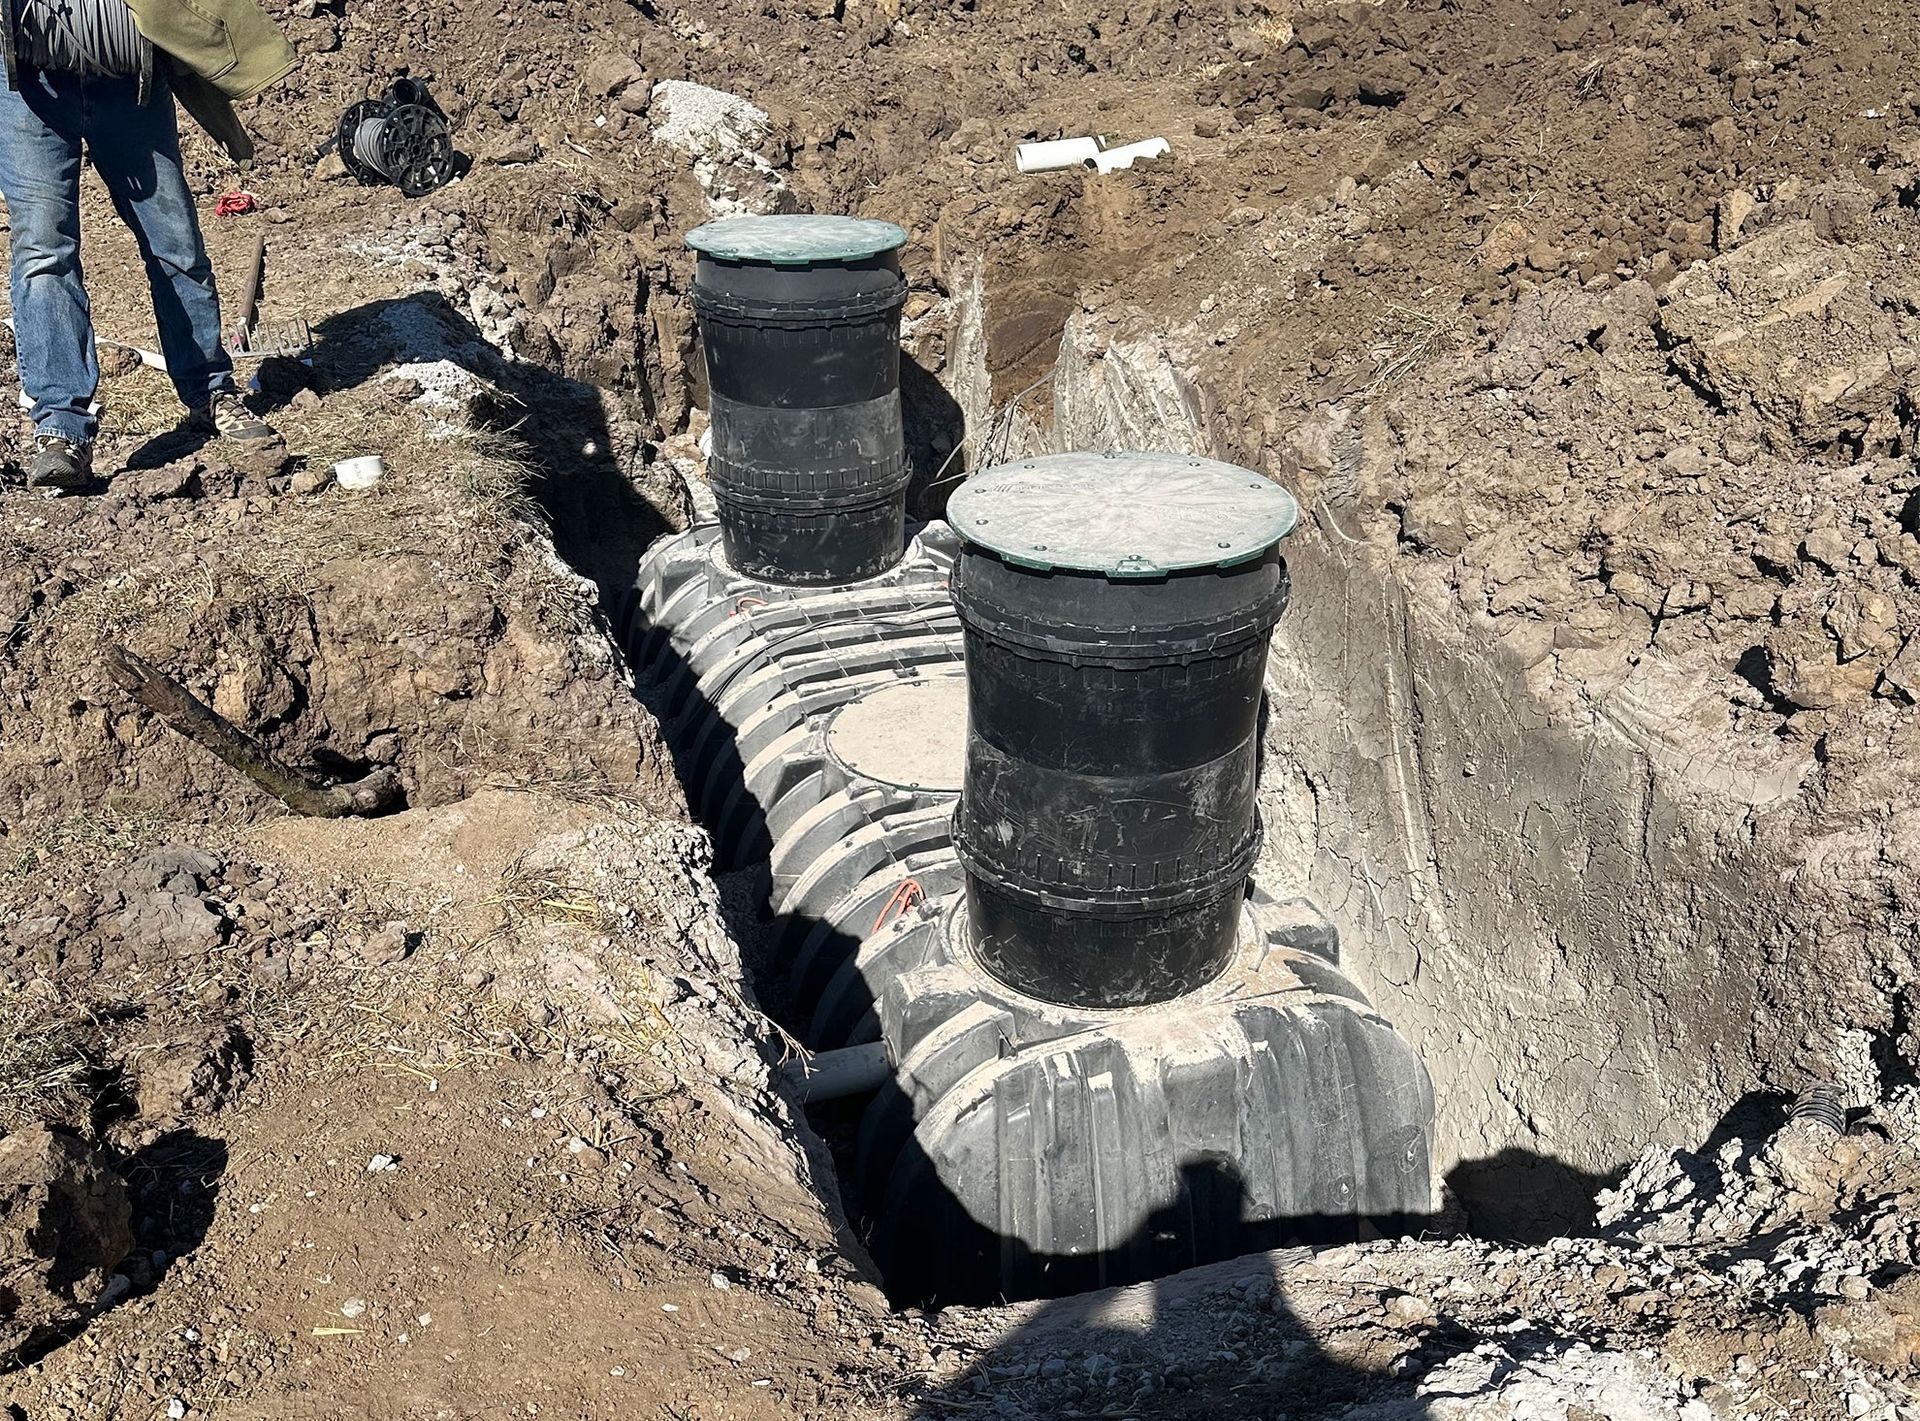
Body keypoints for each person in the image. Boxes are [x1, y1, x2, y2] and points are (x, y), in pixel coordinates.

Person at [0, 0, 297, 490]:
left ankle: (210, 392)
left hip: (128, 78)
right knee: (43, 250)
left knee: (175, 242)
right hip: (31, 85)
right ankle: (61, 429)